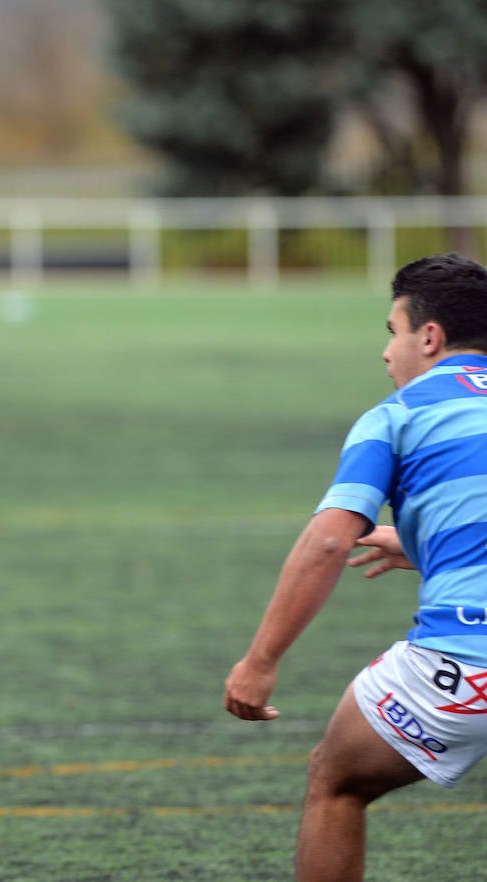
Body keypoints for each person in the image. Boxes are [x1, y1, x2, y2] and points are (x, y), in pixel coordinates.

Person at [224, 252, 487, 881]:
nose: (386, 353)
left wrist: (259, 662)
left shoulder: (395, 416)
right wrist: (426, 546)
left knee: (337, 780)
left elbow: (328, 543)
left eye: (392, 331)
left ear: (430, 337)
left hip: (465, 657)